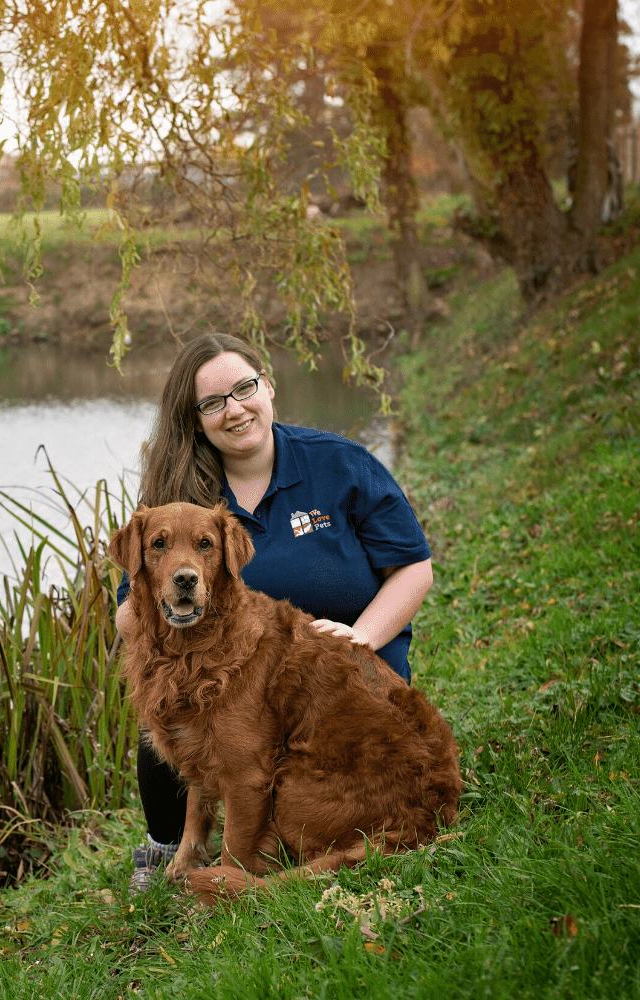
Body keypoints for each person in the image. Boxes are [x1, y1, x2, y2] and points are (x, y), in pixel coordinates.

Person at [116, 333, 434, 890]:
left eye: (244, 388)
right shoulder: (181, 497)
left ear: (269, 386)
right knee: (178, 708)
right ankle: (171, 846)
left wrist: (361, 636)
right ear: (193, 419)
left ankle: (245, 861)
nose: (234, 409)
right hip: (235, 677)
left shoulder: (340, 464)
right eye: (213, 402)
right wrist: (166, 637)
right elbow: (129, 609)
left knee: (238, 743)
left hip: (346, 692)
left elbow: (414, 568)